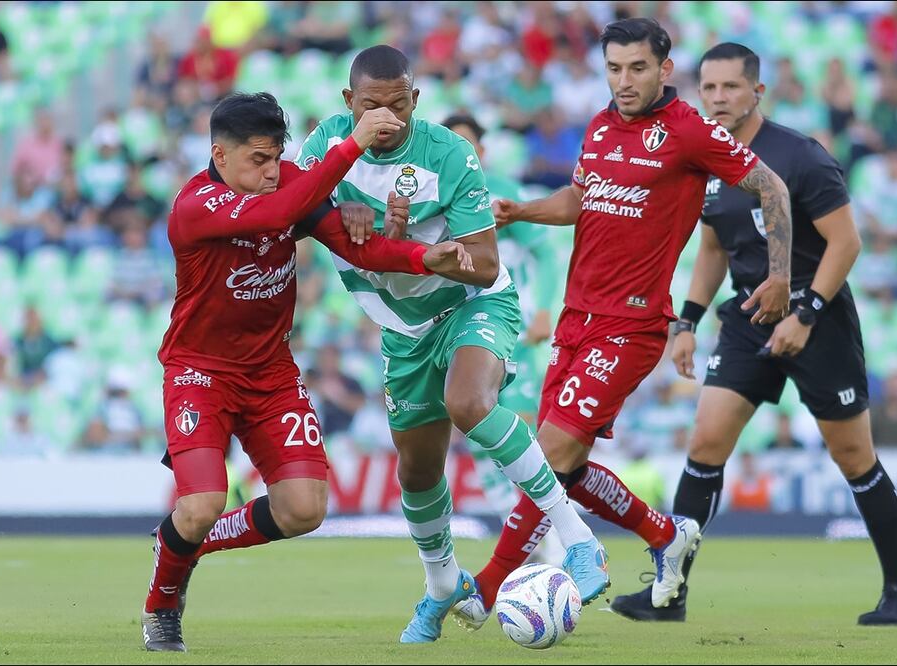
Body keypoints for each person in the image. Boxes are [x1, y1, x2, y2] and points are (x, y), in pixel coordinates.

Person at [457, 20, 794, 628]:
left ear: (665, 69)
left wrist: (780, 276)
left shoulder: (689, 131)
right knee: (564, 467)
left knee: (548, 452)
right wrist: (520, 211)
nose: (624, 81)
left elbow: (771, 186)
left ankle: (485, 586)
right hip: (575, 319)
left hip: (632, 326)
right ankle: (665, 534)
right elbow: (580, 199)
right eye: (614, 69)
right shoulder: (601, 124)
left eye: (637, 68)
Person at [296, 46, 610, 644]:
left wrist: (412, 242)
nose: (385, 119)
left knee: (469, 402)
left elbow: (487, 261)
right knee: (416, 471)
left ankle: (579, 540)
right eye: (371, 107)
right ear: (348, 104)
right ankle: (442, 586)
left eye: (398, 105)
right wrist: (347, 218)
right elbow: (301, 209)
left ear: (415, 100)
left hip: (471, 303)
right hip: (403, 329)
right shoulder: (328, 148)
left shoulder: (448, 153)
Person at [140, 91, 473, 652]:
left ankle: (186, 544)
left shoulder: (287, 183)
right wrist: (351, 146)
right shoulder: (195, 205)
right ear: (220, 156)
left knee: (305, 509)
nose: (273, 173)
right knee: (198, 506)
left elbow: (358, 249)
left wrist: (422, 258)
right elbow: (277, 213)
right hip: (201, 373)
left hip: (271, 374)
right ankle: (162, 605)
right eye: (258, 161)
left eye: (277, 158)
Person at [611, 43, 897, 627]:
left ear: (757, 91)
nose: (718, 99)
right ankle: (670, 594)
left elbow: (847, 242)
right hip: (746, 317)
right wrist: (687, 320)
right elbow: (713, 246)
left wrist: (804, 313)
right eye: (709, 88)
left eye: (731, 88)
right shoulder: (704, 159)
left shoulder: (800, 156)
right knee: (704, 443)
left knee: (854, 457)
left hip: (818, 317)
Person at [442, 112, 566, 564]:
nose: (463, 154)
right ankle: (535, 546)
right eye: (453, 145)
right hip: (459, 332)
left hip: (511, 328)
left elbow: (546, 254)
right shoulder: (432, 199)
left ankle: (547, 538)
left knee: (527, 434)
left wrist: (544, 310)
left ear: (483, 152)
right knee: (480, 435)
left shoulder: (502, 196)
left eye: (469, 147)